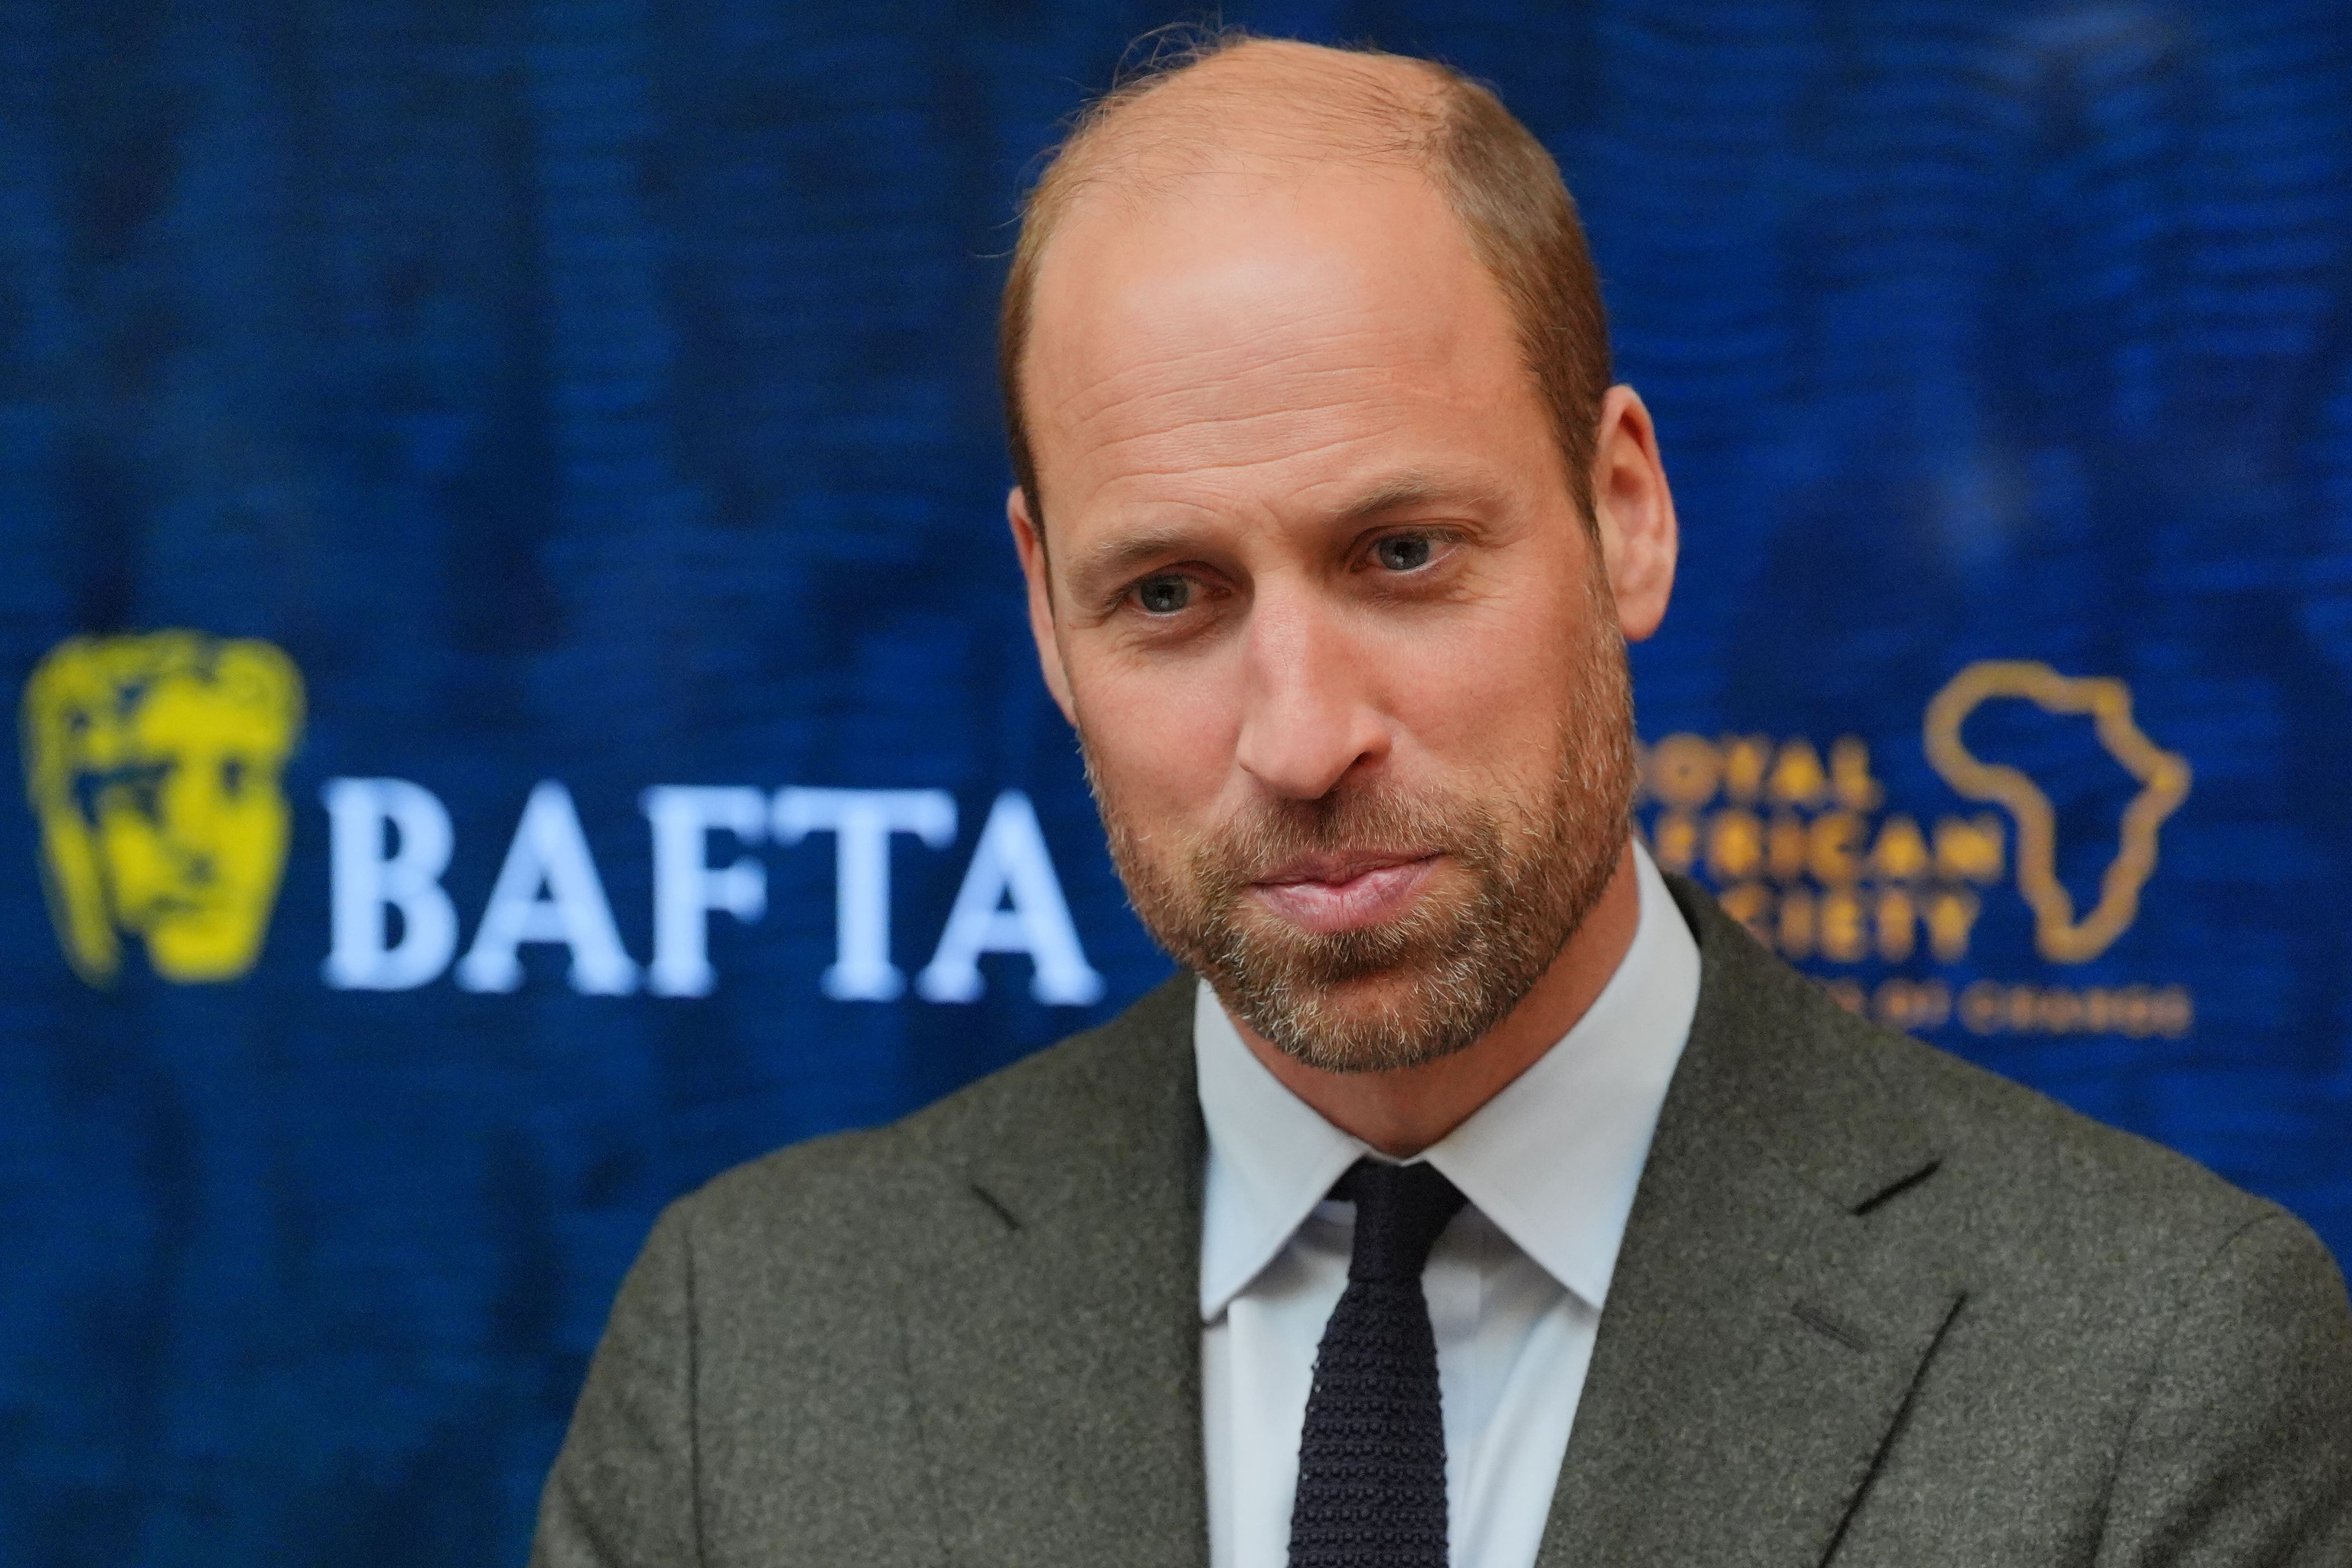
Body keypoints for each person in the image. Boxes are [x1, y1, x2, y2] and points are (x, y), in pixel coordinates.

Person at [531, 34, 2352, 1568]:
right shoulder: (750, 1346)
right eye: (1168, 595)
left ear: (1623, 510)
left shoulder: (2156, 1372)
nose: (1303, 737)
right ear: (1046, 615)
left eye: (1404, 553)